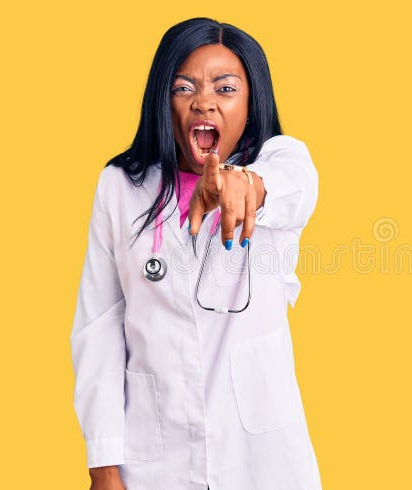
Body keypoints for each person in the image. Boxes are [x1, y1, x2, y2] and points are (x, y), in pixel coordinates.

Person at [69, 17, 322, 490]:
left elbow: (298, 185)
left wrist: (247, 184)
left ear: (251, 102)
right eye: (184, 87)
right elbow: (98, 327)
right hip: (153, 458)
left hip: (260, 457)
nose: (204, 101)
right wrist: (102, 466)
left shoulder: (280, 166)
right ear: (164, 100)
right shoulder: (122, 187)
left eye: (225, 89)